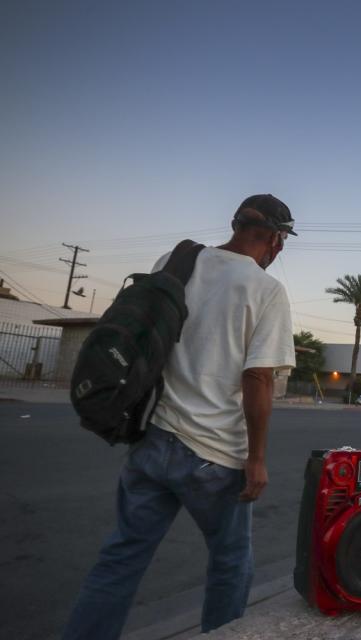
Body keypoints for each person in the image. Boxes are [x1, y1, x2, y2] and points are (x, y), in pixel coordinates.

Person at [63, 195, 297, 639]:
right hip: (215, 457)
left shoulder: (176, 259)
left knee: (121, 559)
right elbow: (259, 379)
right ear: (275, 240)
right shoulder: (267, 291)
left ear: (236, 225)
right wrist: (257, 458)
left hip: (153, 438)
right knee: (230, 564)